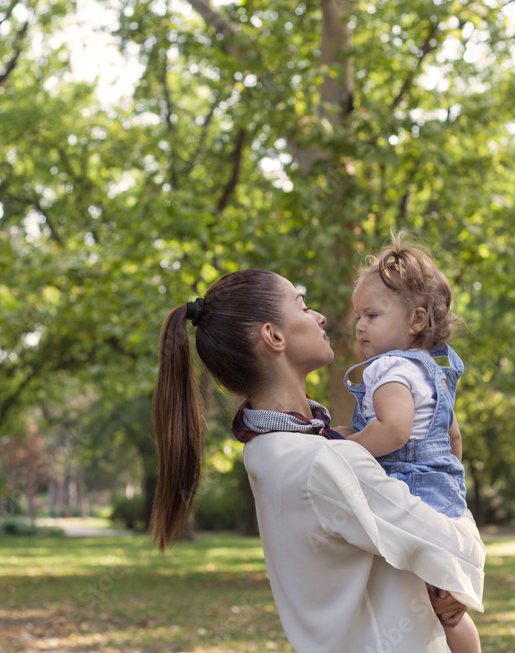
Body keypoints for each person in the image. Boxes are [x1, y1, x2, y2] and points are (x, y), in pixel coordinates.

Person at [151, 269, 485, 652]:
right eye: (303, 306)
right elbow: (453, 547)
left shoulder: (267, 448)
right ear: (274, 336)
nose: (321, 317)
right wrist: (457, 567)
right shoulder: (323, 462)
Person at [339, 231, 480, 651]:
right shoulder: (434, 371)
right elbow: (452, 436)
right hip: (444, 498)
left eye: (372, 315)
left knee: (413, 599)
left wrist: (342, 450)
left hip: (411, 496)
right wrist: (451, 489)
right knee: (448, 609)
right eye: (358, 316)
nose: (360, 327)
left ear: (416, 321)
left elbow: (393, 431)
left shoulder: (388, 370)